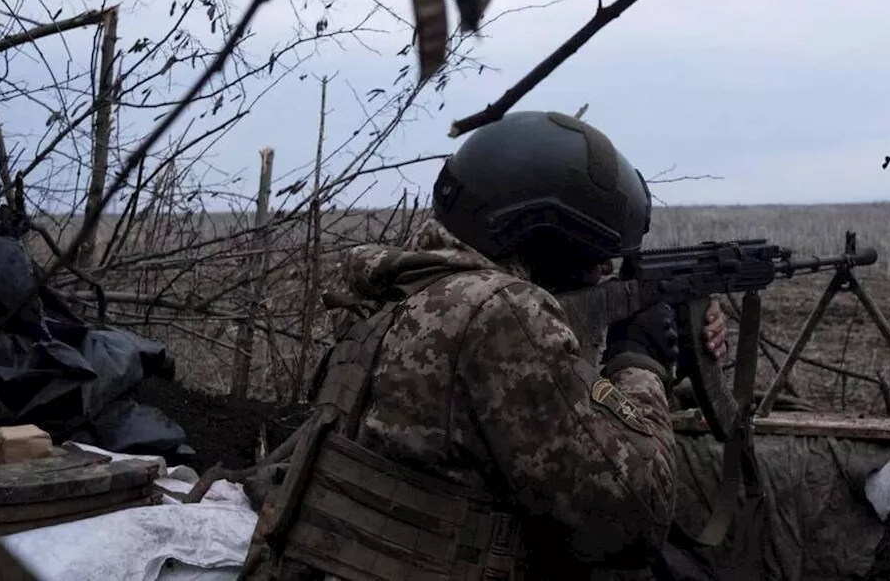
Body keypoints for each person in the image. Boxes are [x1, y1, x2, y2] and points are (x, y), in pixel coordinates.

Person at [240, 110, 728, 581]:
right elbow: (635, 516)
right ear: (547, 237)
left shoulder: (396, 293)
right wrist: (640, 361)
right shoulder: (500, 312)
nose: (605, 271)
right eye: (599, 259)